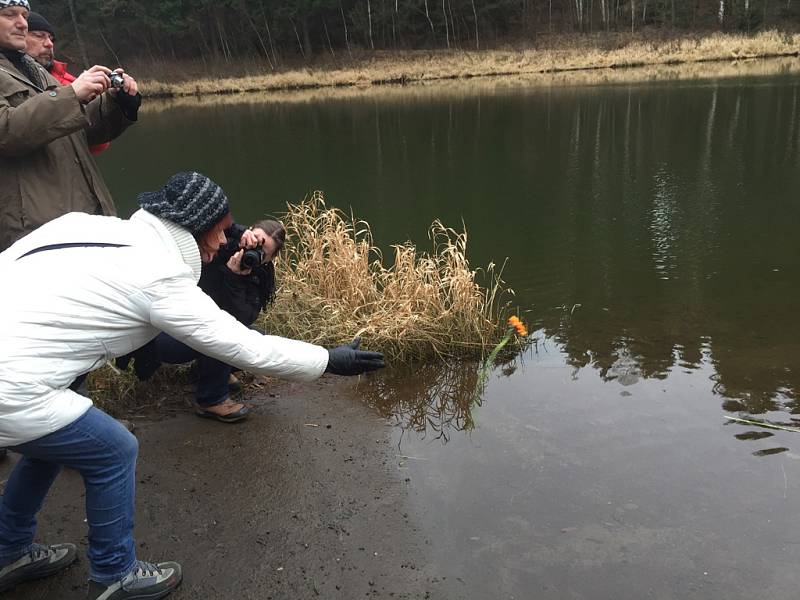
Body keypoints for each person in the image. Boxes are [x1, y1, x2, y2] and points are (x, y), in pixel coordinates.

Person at [0, 171, 385, 599]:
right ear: (195, 227)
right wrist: (328, 359)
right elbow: (244, 347)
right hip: (12, 385)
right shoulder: (160, 277)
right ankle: (115, 577)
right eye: (221, 232)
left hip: (21, 371)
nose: (225, 243)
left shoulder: (84, 224)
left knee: (52, 442)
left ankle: (9, 551)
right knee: (112, 449)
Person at [0, 0, 141, 251]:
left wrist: (118, 104)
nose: (22, 23)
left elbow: (79, 132)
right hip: (38, 234)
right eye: (10, 15)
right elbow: (6, 133)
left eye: (24, 15)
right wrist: (71, 95)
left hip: (85, 219)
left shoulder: (33, 69)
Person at [121, 219, 288, 423]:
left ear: (269, 259)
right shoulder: (212, 246)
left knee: (254, 337)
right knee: (224, 335)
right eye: (255, 243)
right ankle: (212, 400)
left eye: (263, 253)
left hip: (194, 330)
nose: (253, 253)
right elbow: (195, 221)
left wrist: (234, 278)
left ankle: (209, 372)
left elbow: (242, 318)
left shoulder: (257, 274)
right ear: (249, 234)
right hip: (161, 333)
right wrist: (239, 231)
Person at [24, 10, 110, 154]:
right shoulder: (9, 77)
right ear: (18, 37)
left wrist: (114, 103)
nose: (49, 44)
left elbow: (95, 146)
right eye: (39, 36)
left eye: (51, 39)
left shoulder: (69, 81)